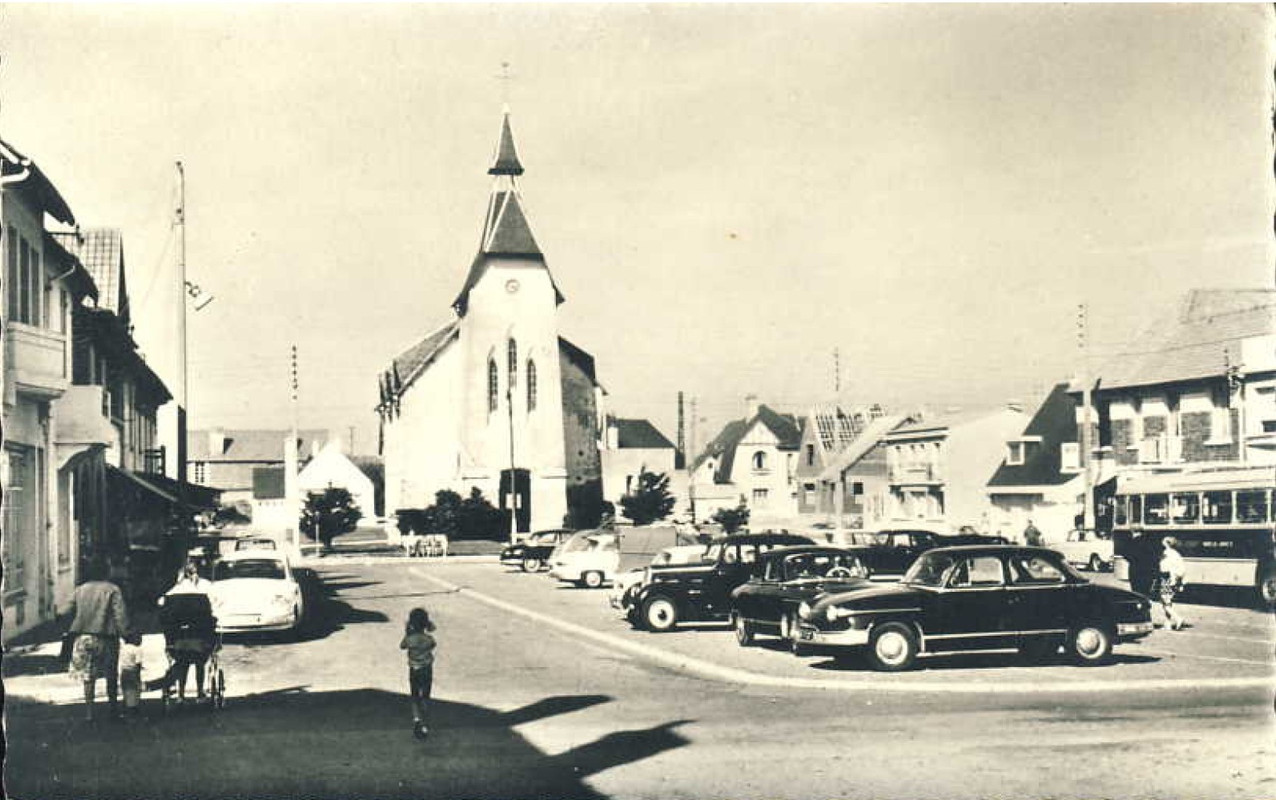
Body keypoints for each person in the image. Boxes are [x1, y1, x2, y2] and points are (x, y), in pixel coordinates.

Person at [66, 559, 129, 721]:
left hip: (83, 637)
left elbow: (67, 610)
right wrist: (126, 633)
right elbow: (119, 615)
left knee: (88, 675)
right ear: (106, 571)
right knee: (110, 673)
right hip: (106, 637)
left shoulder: (80, 590)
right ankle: (113, 708)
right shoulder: (112, 589)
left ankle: (89, 712)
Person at [400, 607, 438, 740]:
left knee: (415, 695)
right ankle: (425, 724)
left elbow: (402, 646)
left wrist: (407, 632)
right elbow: (434, 644)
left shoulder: (410, 639)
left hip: (414, 669)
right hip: (427, 669)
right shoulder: (428, 639)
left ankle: (416, 718)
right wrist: (429, 627)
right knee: (425, 696)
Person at [1156, 537, 1188, 630]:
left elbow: (1164, 568)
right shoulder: (1176, 553)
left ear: (1167, 543)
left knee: (1164, 601)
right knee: (1168, 602)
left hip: (1167, 579)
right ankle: (1168, 623)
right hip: (1174, 579)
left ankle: (1178, 618)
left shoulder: (1166, 553)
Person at [118, 630, 145, 720]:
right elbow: (138, 664)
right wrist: (138, 677)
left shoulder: (123, 648)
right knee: (134, 692)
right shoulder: (137, 650)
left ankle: (124, 712)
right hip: (133, 672)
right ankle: (133, 714)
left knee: (126, 692)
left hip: (124, 672)